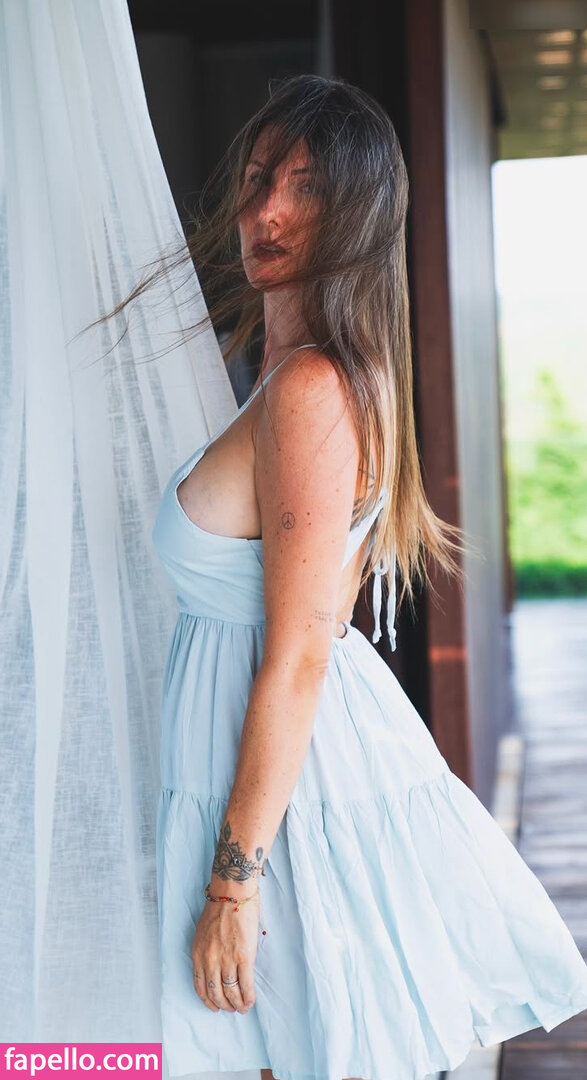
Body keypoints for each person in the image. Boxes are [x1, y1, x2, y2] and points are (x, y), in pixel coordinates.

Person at [148, 75, 587, 1080]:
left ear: (355, 215)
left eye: (303, 187)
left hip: (278, 794)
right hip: (270, 770)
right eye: (258, 177)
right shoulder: (305, 377)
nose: (264, 210)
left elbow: (302, 652)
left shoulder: (309, 389)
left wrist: (232, 885)